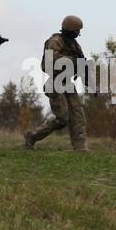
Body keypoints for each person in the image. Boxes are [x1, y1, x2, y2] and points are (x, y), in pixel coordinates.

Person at [25, 15, 88, 152]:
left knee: (78, 115)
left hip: (67, 83)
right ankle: (33, 135)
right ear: (71, 29)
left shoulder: (74, 45)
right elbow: (49, 62)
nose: (79, 33)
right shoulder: (54, 41)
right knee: (62, 118)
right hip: (54, 83)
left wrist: (89, 82)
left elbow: (82, 64)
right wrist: (73, 61)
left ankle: (80, 148)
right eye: (77, 30)